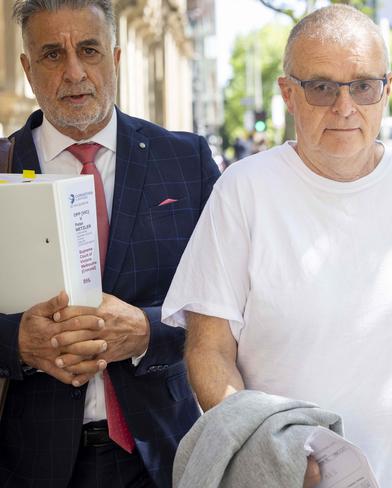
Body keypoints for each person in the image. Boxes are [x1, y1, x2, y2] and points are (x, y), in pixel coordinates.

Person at [162, 5, 392, 488]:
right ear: (288, 94)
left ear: (386, 90)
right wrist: (268, 450)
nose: (345, 107)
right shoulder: (245, 190)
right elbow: (209, 348)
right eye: (322, 87)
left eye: (363, 86)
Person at [0, 1, 220, 487]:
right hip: (29, 462)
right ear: (26, 68)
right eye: (53, 54)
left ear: (116, 58)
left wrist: (147, 331)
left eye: (89, 50)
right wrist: (15, 340)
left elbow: (230, 305)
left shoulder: (187, 162)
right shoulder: (2, 168)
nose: (74, 72)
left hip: (162, 456)